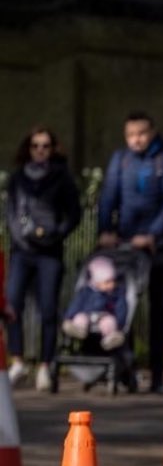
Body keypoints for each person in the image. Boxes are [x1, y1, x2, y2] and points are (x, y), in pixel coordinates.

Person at [97, 110, 163, 393]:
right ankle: (126, 370)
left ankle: (159, 373)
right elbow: (109, 195)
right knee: (123, 305)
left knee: (157, 307)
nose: (136, 140)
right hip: (125, 245)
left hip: (158, 246)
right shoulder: (120, 160)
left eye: (141, 134)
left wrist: (153, 234)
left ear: (152, 132)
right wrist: (105, 230)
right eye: (131, 135)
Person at [5, 127, 82, 390]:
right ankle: (18, 360)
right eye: (35, 145)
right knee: (12, 304)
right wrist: (23, 238)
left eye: (45, 146)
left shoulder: (62, 178)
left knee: (48, 309)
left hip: (50, 253)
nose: (40, 150)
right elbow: (11, 214)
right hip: (21, 251)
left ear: (52, 149)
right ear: (28, 148)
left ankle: (45, 366)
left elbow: (74, 214)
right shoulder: (17, 179)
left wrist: (55, 234)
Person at [62, 254, 129, 350]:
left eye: (112, 281)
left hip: (106, 316)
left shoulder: (116, 295)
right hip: (87, 315)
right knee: (79, 318)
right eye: (107, 282)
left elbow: (121, 308)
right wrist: (69, 316)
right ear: (96, 282)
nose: (111, 284)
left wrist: (120, 323)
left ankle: (110, 338)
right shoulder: (86, 292)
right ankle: (78, 330)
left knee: (109, 323)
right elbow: (76, 304)